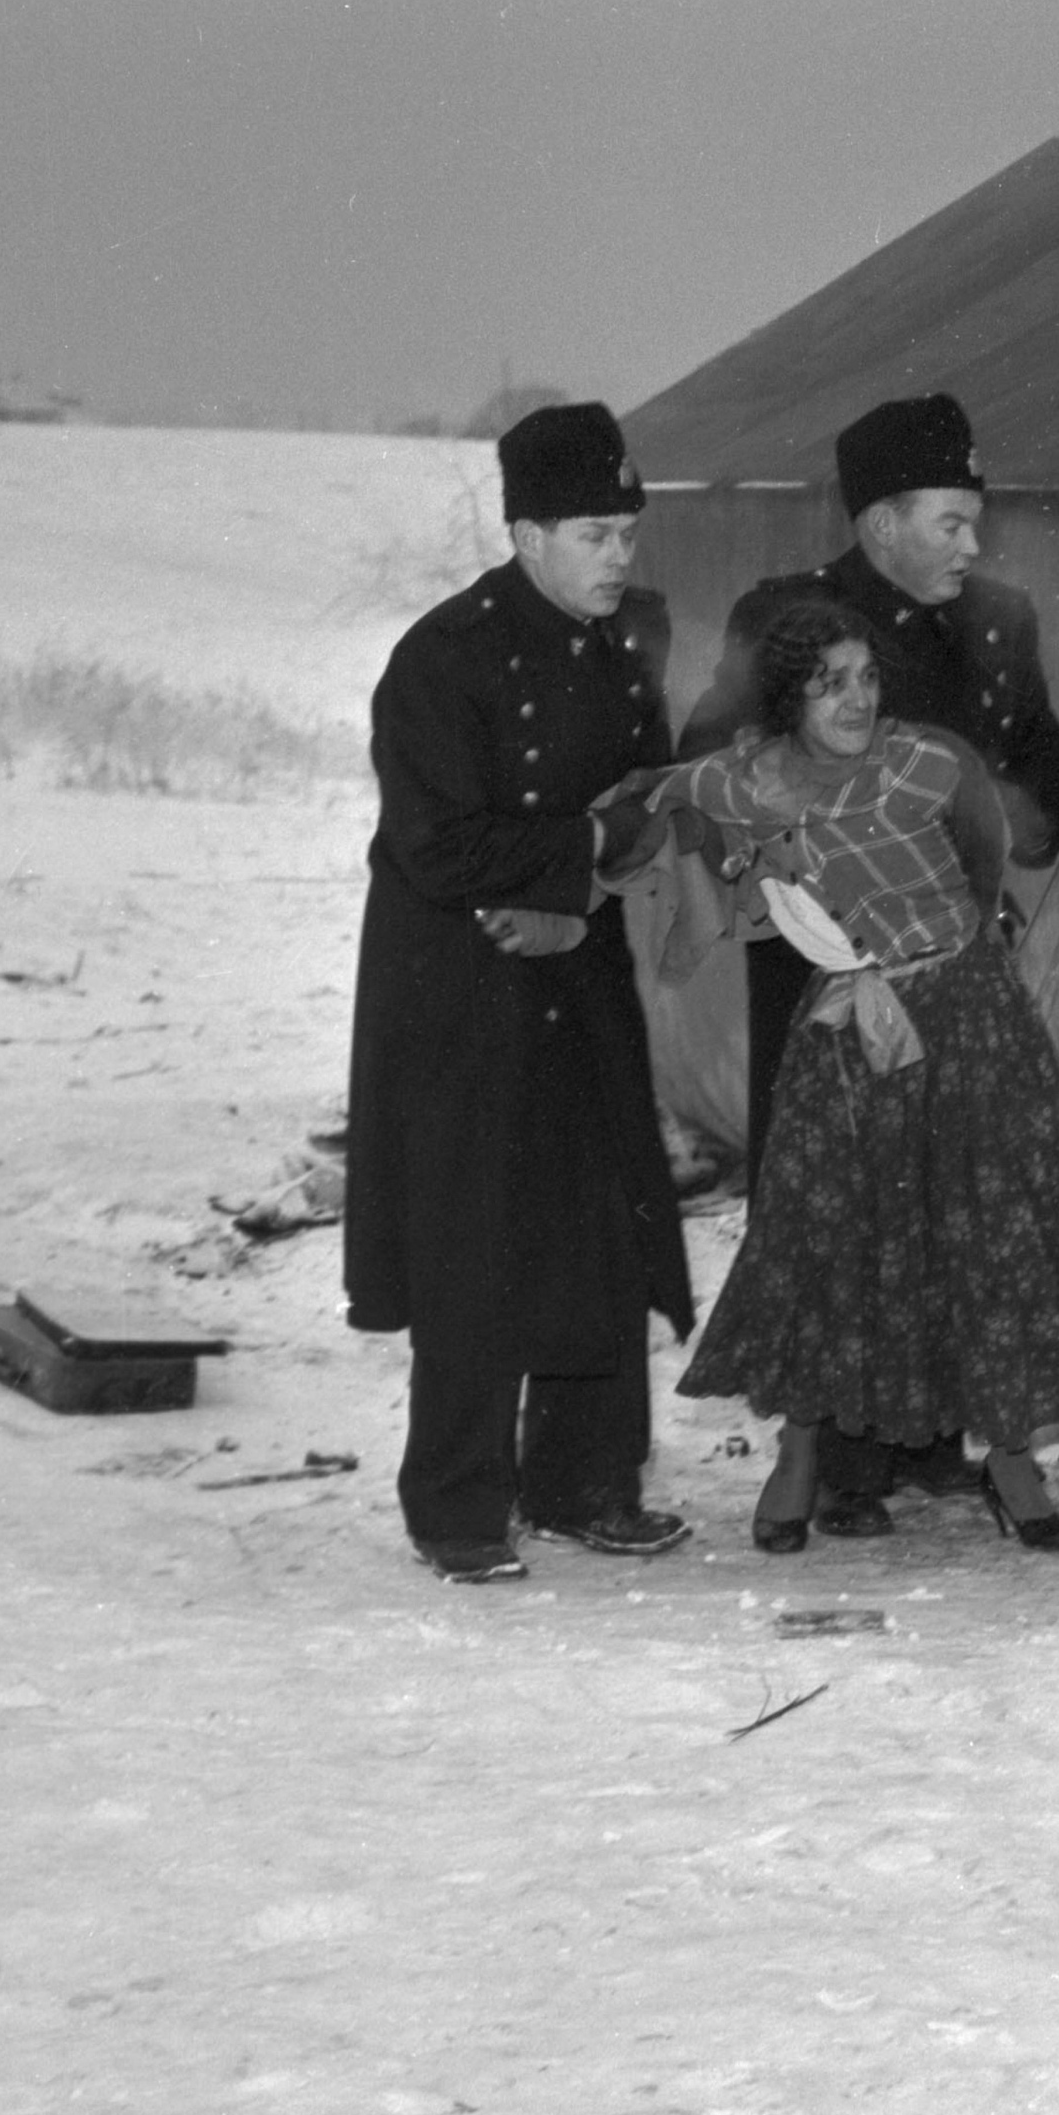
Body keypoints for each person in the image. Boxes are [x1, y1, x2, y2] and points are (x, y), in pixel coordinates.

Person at [682, 394, 1059, 1536]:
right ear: (879, 523)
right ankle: (841, 1459)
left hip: (957, 976)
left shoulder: (998, 625)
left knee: (974, 1195)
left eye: (976, 521)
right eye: (952, 521)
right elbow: (709, 767)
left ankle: (965, 1443)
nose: (974, 544)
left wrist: (1003, 815)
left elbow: (1055, 771)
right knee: (838, 1206)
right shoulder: (791, 621)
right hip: (830, 977)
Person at [344, 403, 697, 1583]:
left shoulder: (619, 653)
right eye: (595, 534)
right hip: (457, 991)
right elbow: (435, 845)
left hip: (576, 978)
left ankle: (588, 1480)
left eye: (628, 535)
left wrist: (588, 876)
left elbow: (642, 802)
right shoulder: (441, 658)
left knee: (597, 1222)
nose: (617, 558)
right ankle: (456, 1504)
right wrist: (576, 862)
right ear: (529, 530)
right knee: (471, 1238)